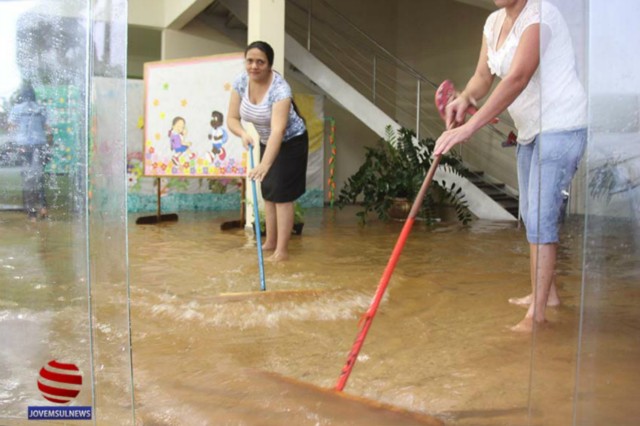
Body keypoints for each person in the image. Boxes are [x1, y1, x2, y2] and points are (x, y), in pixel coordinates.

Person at [433, 0, 587, 332]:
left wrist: (470, 127)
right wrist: (465, 99)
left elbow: (517, 77)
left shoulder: (540, 15)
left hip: (562, 125)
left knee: (541, 218)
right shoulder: (492, 23)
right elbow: (481, 76)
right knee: (531, 214)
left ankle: (538, 317)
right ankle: (548, 295)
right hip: (531, 130)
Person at [227, 41, 308, 262]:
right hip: (267, 139)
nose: (254, 66)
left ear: (269, 65)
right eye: (250, 61)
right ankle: (270, 242)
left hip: (291, 141)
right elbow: (232, 118)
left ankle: (282, 251)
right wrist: (243, 133)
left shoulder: (280, 90)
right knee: (269, 192)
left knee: (282, 195)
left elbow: (279, 130)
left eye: (260, 62)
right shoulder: (241, 81)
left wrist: (265, 164)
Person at [8, 81, 51, 221]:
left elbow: (11, 127)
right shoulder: (41, 108)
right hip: (40, 144)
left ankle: (32, 213)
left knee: (27, 177)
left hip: (24, 145)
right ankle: (44, 207)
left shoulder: (17, 108)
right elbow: (47, 128)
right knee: (39, 176)